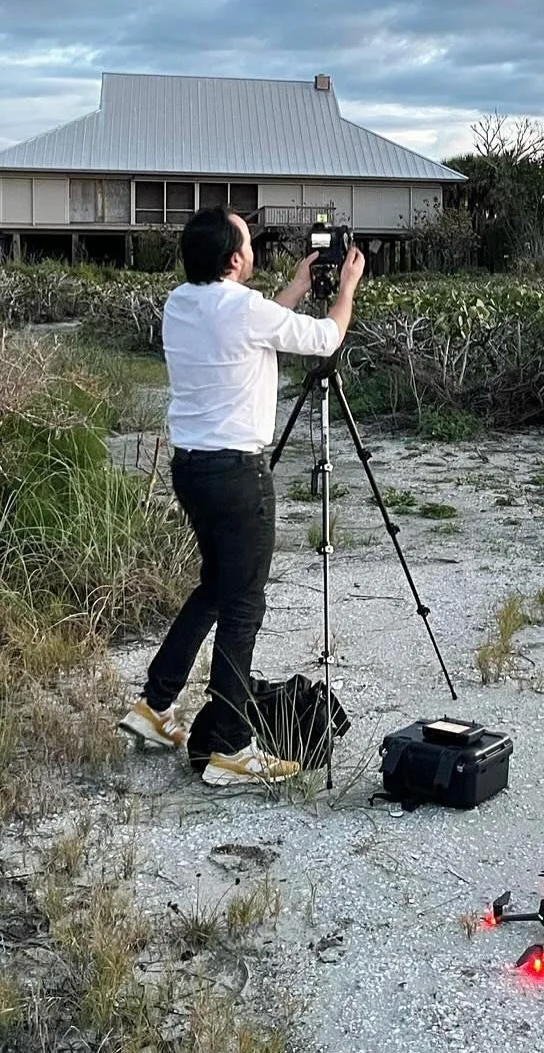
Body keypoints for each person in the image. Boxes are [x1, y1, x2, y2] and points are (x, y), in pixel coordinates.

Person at [118, 207, 366, 787]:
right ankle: (230, 746)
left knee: (215, 589)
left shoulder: (181, 304)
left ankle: (154, 708)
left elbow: (249, 328)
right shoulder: (244, 310)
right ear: (234, 259)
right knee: (243, 606)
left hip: (193, 470)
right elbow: (326, 337)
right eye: (249, 242)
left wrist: (299, 286)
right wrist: (345, 287)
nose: (253, 248)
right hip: (237, 475)